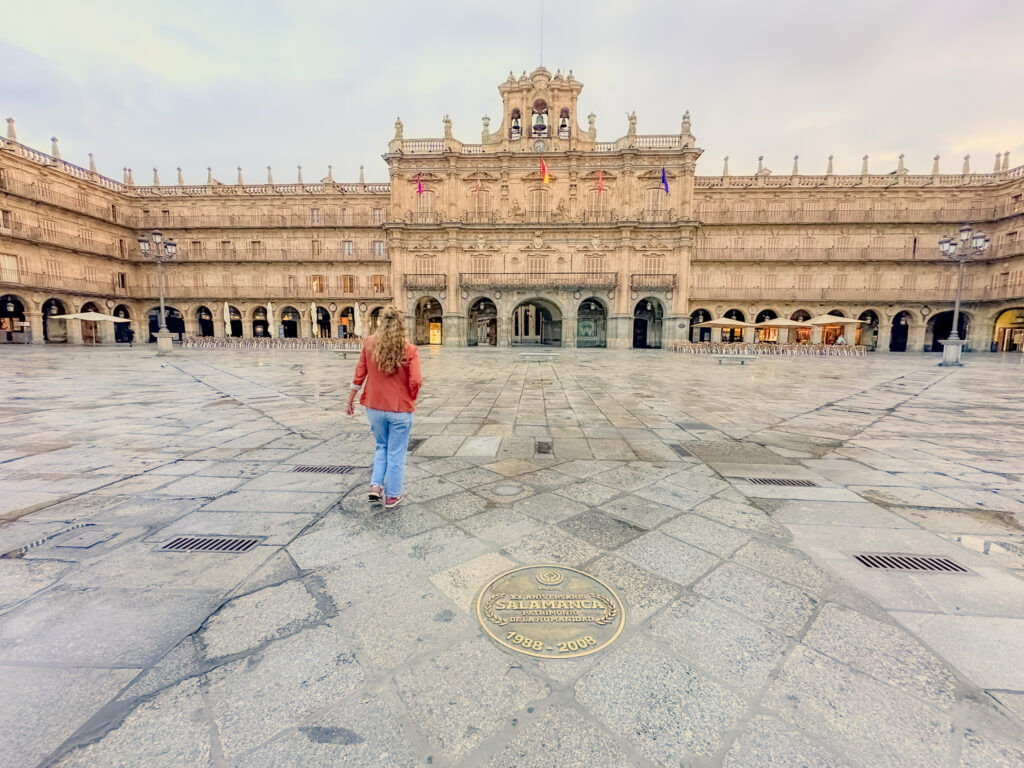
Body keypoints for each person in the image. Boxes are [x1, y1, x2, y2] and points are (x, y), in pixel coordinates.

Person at [346, 306, 421, 509]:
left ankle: (376, 485)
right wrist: (410, 399)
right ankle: (392, 496)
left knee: (381, 446)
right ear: (401, 326)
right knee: (396, 452)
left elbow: (359, 374)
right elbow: (415, 381)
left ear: (381, 323)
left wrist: (350, 399)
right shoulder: (410, 350)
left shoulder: (369, 344)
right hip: (400, 408)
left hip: (375, 407)